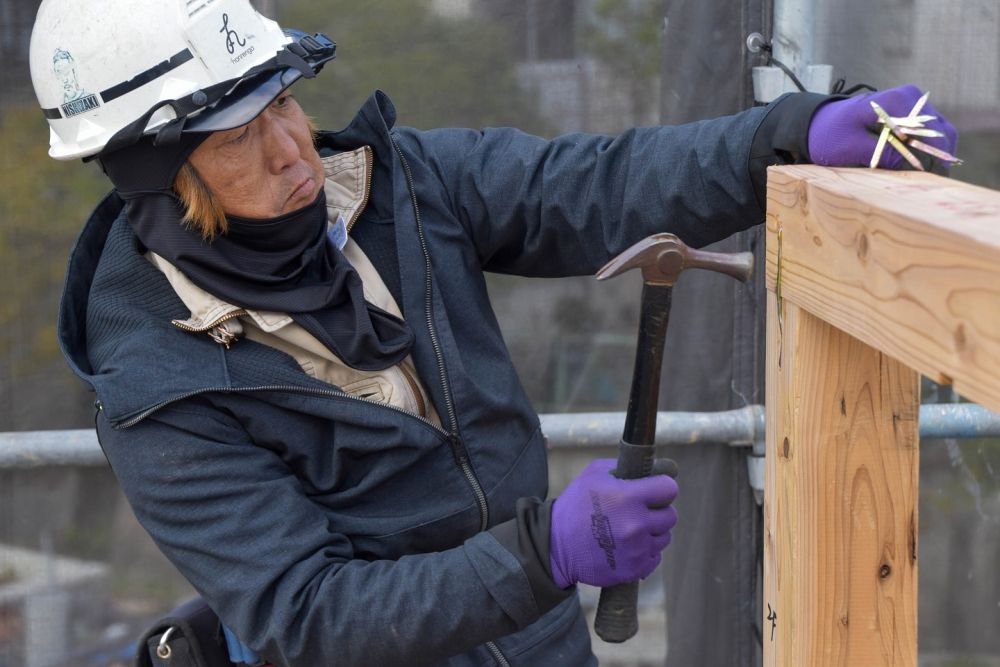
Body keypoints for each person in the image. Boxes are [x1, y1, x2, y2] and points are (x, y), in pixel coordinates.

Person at [29, 1, 956, 666]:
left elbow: (595, 184)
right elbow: (311, 617)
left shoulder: (402, 183)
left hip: (539, 634)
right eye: (236, 139)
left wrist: (783, 138)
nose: (290, 150)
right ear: (159, 183)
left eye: (282, 101)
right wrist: (543, 549)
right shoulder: (159, 390)